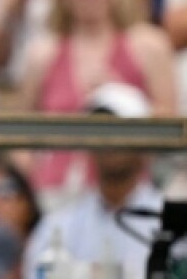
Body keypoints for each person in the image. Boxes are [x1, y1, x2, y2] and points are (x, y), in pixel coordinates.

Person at [16, 0, 175, 206]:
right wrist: (34, 177)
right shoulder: (42, 53)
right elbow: (17, 130)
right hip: (55, 194)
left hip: (129, 193)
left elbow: (170, 124)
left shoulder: (149, 45)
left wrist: (121, 94)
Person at [21, 83, 162, 279]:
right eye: (101, 131)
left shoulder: (169, 223)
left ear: (145, 140)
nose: (109, 142)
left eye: (119, 130)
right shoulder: (58, 226)